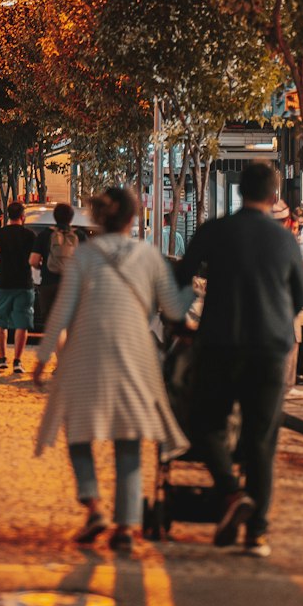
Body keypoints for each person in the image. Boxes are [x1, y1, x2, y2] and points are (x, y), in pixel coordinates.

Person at [32, 187, 192, 554]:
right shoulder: (148, 256)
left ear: (100, 219)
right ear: (133, 218)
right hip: (135, 353)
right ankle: (126, 525)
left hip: (86, 351)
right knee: (129, 436)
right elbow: (174, 309)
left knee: (77, 431)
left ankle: (93, 506)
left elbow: (63, 310)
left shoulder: (85, 256)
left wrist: (42, 359)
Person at [175, 162, 303, 558]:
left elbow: (180, 278)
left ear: (238, 194)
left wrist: (184, 320)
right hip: (269, 350)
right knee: (261, 438)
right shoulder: (285, 242)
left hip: (219, 344)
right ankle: (258, 533)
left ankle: (232, 493)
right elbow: (299, 298)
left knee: (204, 423)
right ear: (273, 197)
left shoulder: (215, 231)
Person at [0, 200, 41, 375]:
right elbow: (36, 260)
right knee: (22, 324)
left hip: (4, 283)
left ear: (7, 216)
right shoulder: (30, 235)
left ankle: (2, 358)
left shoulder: (1, 234)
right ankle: (18, 361)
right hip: (25, 284)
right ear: (23, 216)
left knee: (0, 321)